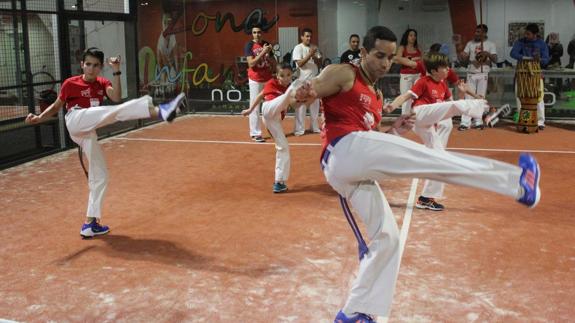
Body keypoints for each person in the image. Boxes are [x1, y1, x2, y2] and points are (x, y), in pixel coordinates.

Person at [293, 26, 541, 322]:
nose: (385, 63)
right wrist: (303, 92)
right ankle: (517, 184)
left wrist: (395, 130)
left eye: (389, 58)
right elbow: (315, 89)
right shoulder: (345, 72)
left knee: (389, 238)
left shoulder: (375, 94)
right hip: (341, 150)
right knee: (432, 158)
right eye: (378, 55)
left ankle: (355, 311)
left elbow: (372, 140)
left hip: (353, 164)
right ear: (362, 53)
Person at [25, 47, 186, 238]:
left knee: (100, 175)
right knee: (112, 112)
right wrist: (39, 118)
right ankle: (160, 111)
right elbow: (56, 106)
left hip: (88, 131)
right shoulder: (70, 83)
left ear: (101, 67)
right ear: (82, 65)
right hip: (75, 119)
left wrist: (116, 70)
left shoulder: (102, 83)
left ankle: (89, 224)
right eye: (88, 65)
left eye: (95, 66)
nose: (91, 69)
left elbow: (116, 97)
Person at [388, 52, 484, 211]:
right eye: (444, 67)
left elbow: (451, 107)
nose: (448, 69)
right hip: (420, 114)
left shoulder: (444, 85)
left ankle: (426, 198)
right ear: (433, 71)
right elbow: (405, 96)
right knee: (447, 110)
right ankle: (480, 107)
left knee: (440, 158)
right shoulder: (423, 82)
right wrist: (392, 106)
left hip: (431, 123)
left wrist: (462, 94)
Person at [241, 63, 297, 193]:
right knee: (287, 96)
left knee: (283, 147)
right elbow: (261, 95)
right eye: (282, 75)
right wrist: (250, 110)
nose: (286, 78)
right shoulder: (272, 83)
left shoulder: (289, 89)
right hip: (268, 109)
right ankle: (292, 92)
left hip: (275, 121)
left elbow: (294, 104)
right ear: (277, 76)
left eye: (289, 75)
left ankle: (279, 182)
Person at [458, 24, 497, 130]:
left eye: (479, 32)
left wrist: (487, 53)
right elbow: (464, 59)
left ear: (484, 33)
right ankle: (465, 122)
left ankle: (478, 121)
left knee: (480, 98)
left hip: (483, 73)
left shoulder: (490, 44)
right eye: (476, 31)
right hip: (471, 72)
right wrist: (463, 56)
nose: (476, 33)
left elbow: (495, 59)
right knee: (468, 98)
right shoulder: (470, 43)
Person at [510, 23, 549, 130]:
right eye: (525, 33)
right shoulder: (520, 42)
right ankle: (522, 119)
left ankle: (540, 121)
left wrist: (538, 59)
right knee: (520, 96)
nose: (526, 36)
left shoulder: (541, 44)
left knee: (538, 97)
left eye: (528, 34)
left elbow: (546, 59)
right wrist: (526, 58)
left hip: (536, 74)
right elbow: (513, 53)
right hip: (521, 74)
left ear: (535, 34)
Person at [244, 25, 276, 142]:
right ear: (252, 34)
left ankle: (272, 129)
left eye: (259, 32)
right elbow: (251, 64)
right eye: (254, 32)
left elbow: (273, 61)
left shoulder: (266, 44)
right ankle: (255, 133)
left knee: (271, 106)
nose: (257, 34)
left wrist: (270, 52)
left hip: (267, 79)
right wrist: (263, 52)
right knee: (255, 106)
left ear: (262, 33)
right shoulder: (249, 45)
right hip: (255, 79)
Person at [292, 28, 322, 135]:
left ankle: (314, 127)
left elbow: (319, 62)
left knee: (315, 105)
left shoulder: (314, 48)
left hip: (314, 80)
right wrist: (309, 55)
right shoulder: (298, 48)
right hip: (302, 81)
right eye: (307, 36)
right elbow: (299, 64)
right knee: (301, 106)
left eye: (310, 36)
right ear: (302, 37)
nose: (309, 38)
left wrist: (316, 56)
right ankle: (299, 129)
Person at [394, 28, 422, 115]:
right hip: (406, 75)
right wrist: (412, 60)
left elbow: (423, 59)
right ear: (407, 37)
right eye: (411, 35)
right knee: (406, 97)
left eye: (414, 35)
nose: (413, 37)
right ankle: (404, 118)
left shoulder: (418, 47)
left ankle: (417, 117)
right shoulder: (402, 47)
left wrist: (409, 60)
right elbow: (397, 59)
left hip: (418, 74)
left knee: (418, 96)